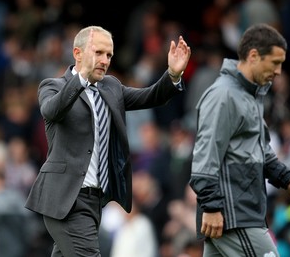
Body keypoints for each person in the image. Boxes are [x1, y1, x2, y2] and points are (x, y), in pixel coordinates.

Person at [24, 25, 191, 257]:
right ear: (77, 53)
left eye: (109, 55)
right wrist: (82, 77)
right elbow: (52, 111)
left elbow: (150, 96)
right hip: (64, 199)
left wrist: (172, 74)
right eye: (98, 52)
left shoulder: (111, 87)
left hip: (95, 201)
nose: (105, 60)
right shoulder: (53, 85)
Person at [189, 23, 290, 257]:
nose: (278, 71)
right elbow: (204, 155)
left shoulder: (251, 95)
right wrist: (211, 206)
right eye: (275, 62)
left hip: (239, 214)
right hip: (233, 216)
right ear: (254, 56)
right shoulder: (224, 95)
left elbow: (262, 152)